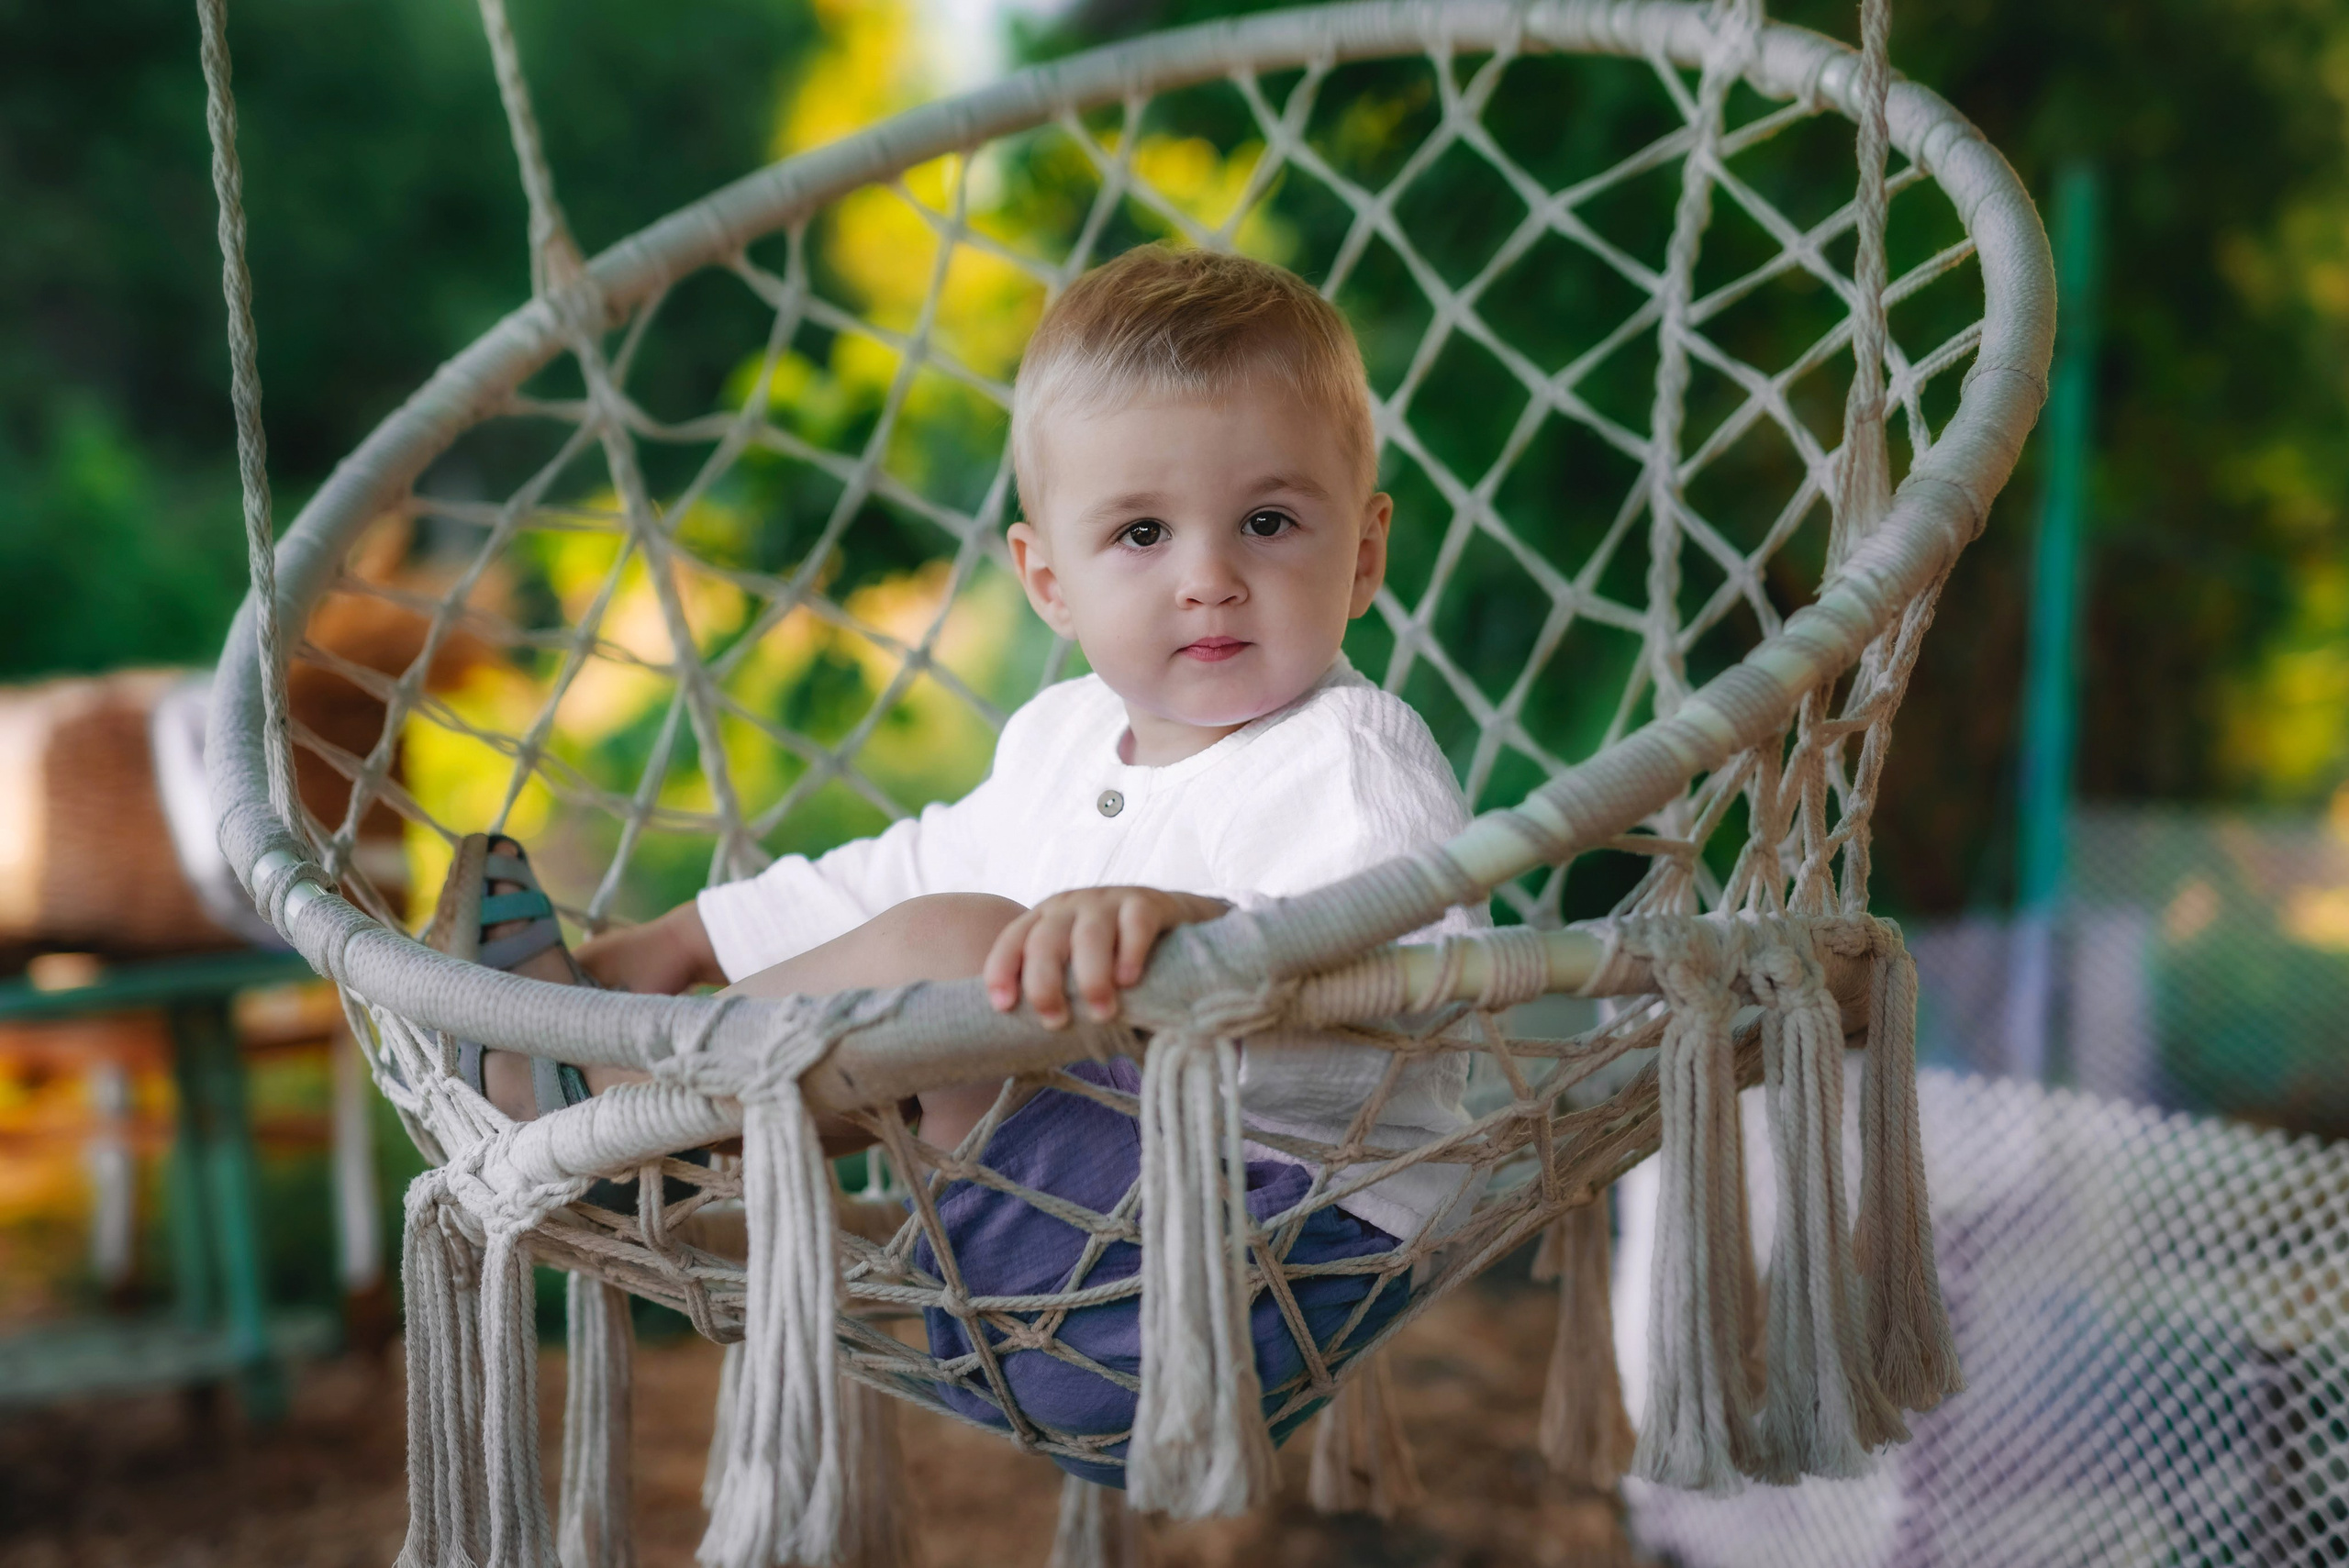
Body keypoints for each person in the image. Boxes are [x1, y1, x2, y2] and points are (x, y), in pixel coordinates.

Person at [439, 243, 1484, 1482]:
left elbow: (1424, 981)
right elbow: (897, 873)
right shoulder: (1055, 743)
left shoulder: (1348, 758)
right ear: (1050, 578)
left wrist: (1199, 926)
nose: (1209, 578)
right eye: (1142, 532)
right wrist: (680, 939)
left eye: (1267, 522)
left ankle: (599, 1099)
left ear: (1362, 556)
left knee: (957, 956)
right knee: (935, 949)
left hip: (1251, 1265)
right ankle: (638, 1097)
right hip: (1053, 1263)